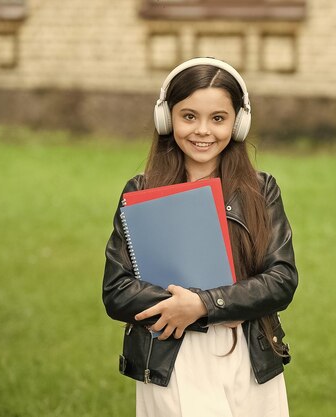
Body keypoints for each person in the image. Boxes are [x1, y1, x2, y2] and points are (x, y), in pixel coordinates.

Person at [102, 57, 298, 417]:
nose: (203, 130)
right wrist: (189, 307)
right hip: (172, 360)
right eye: (189, 116)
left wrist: (207, 304)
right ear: (167, 118)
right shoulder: (141, 190)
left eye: (218, 118)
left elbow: (281, 280)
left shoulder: (261, 189)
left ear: (238, 123)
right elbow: (117, 291)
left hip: (249, 361)